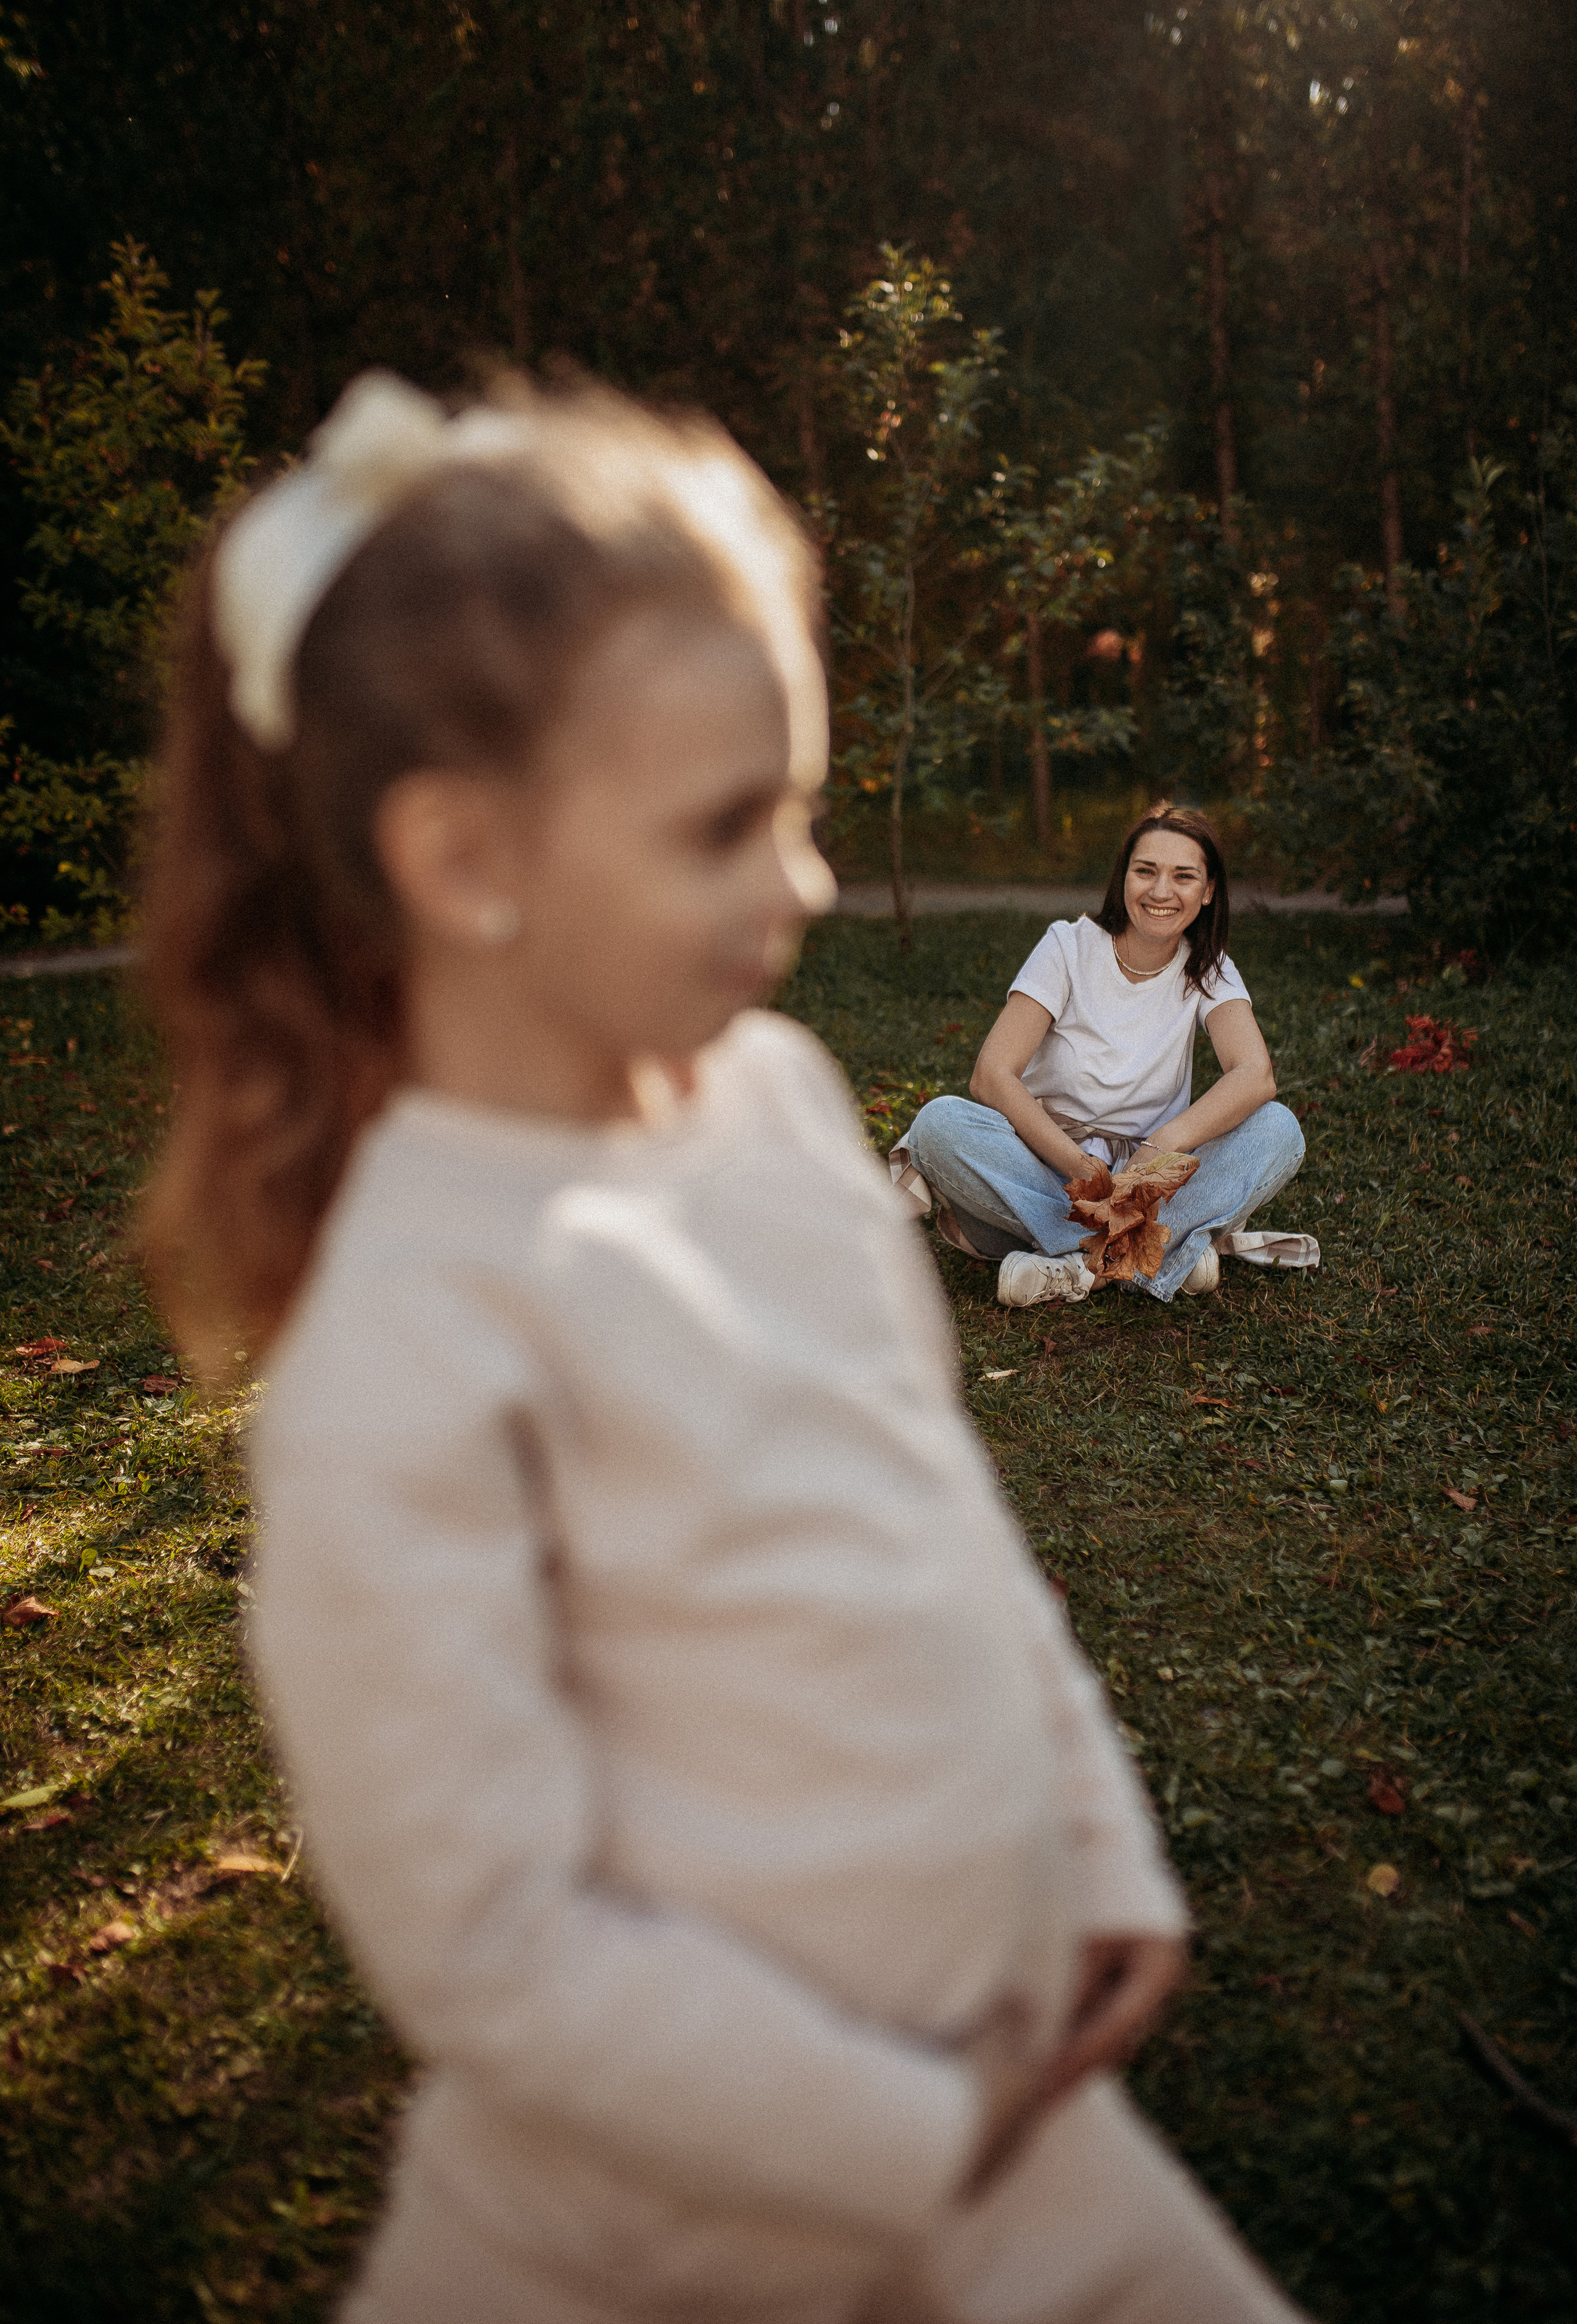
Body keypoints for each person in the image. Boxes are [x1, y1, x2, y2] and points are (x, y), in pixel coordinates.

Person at [137, 370, 1308, 2324]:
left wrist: (1094, 1833)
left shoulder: (772, 1100)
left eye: (801, 806)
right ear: (462, 860)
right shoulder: (400, 1347)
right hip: (666, 2242)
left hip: (1032, 2153)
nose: (808, 885)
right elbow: (494, 1944)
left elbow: (939, 1519)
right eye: (723, 826)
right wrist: (914, 2139)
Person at [894, 807, 1316, 1309]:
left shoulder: (1209, 966)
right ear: (1123, 879)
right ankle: (1162, 1252)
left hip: (1150, 1186)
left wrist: (1153, 1155)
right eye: (1146, 871)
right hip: (1051, 1166)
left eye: (1184, 877)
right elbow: (991, 1077)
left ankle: (1079, 1269)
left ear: (1208, 891)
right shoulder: (1068, 946)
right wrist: (1083, 1171)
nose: (1161, 892)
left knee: (1278, 1129)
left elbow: (1255, 1076)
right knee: (941, 1122)